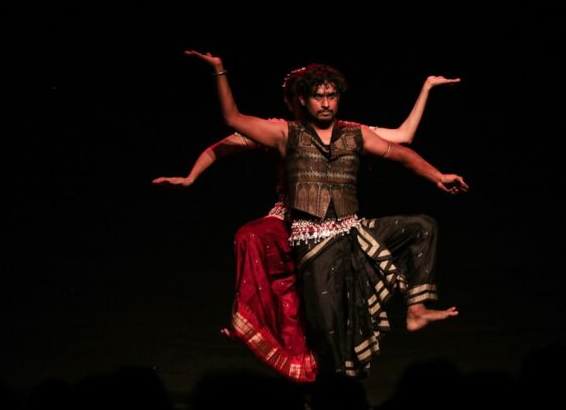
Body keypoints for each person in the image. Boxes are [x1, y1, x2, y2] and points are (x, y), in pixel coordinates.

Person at [153, 67, 460, 382]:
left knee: (423, 226)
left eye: (331, 96)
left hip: (351, 230)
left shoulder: (353, 132)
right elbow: (230, 128)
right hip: (305, 231)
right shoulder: (282, 132)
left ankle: (416, 309)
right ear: (300, 100)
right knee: (257, 246)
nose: (325, 103)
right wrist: (191, 175)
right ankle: (260, 324)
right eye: (317, 96)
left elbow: (402, 146)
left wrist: (437, 174)